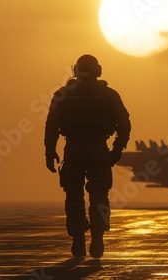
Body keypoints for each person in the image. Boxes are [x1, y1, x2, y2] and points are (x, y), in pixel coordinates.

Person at [44, 54, 131, 258]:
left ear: (76, 70)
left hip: (73, 149)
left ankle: (78, 240)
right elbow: (125, 124)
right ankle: (98, 236)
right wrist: (117, 149)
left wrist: (50, 152)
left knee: (73, 195)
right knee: (99, 194)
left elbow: (51, 126)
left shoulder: (63, 94)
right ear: (98, 70)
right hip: (98, 149)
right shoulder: (109, 95)